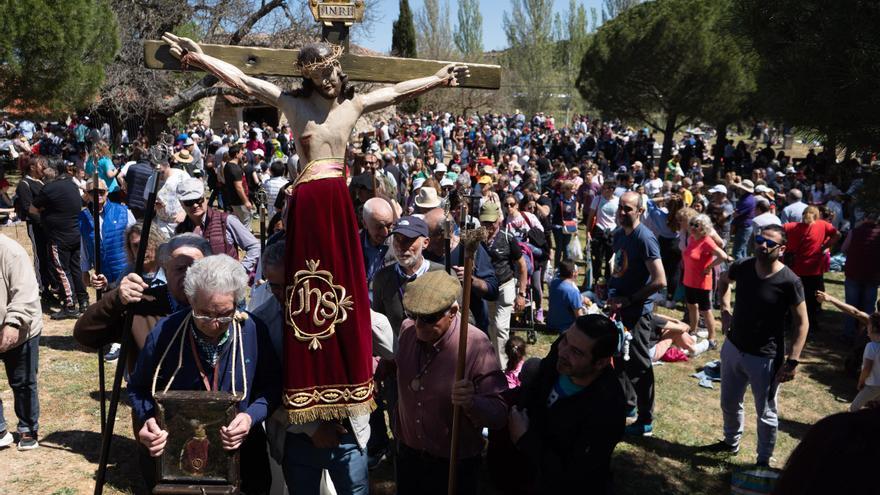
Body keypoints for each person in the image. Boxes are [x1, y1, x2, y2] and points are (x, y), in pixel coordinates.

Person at [128, 255, 281, 493]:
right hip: (180, 461)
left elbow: (272, 387)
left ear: (237, 302)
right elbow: (138, 388)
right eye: (204, 314)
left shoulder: (251, 330)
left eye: (224, 314)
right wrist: (149, 418)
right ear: (190, 299)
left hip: (243, 458)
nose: (213, 324)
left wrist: (250, 417)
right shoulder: (167, 333)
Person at [395, 270, 507, 495]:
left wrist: (472, 402)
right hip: (408, 455)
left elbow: (499, 414)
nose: (418, 324)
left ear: (453, 312)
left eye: (428, 318)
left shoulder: (475, 344)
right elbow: (393, 364)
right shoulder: (407, 331)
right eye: (413, 314)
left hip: (453, 465)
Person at [713, 224, 809, 467]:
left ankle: (763, 461)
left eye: (769, 243)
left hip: (766, 357)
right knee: (729, 402)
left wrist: (793, 360)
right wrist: (725, 310)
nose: (762, 245)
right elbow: (724, 282)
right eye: (759, 239)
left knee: (766, 413)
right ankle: (730, 442)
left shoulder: (790, 281)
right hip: (734, 347)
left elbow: (802, 323)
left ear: (782, 249)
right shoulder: (743, 266)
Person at [508, 314, 626, 493]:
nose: (562, 352)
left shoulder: (607, 409)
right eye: (565, 340)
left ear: (601, 362)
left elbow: (574, 475)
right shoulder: (562, 354)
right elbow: (539, 382)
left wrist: (525, 439)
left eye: (577, 352)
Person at [607, 191, 666, 437]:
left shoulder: (645, 237)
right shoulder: (619, 235)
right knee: (621, 360)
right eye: (621, 207)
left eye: (628, 208)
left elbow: (660, 279)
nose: (622, 212)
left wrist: (630, 299)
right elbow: (619, 267)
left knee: (640, 364)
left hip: (639, 312)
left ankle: (645, 420)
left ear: (640, 211)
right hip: (620, 309)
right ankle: (628, 407)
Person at [423, 207, 499, 333]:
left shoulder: (470, 249)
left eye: (430, 234)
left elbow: (492, 290)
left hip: (469, 327)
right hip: (435, 329)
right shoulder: (423, 253)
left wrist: (470, 279)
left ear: (447, 232)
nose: (425, 239)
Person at [0, 233, 43, 451]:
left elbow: (25, 292)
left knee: (22, 381)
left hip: (21, 326)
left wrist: (13, 323)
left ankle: (28, 427)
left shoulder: (11, 251)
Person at [30, 159, 88, 320]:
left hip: (59, 237)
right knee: (75, 268)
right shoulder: (71, 184)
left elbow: (32, 208)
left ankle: (69, 305)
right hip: (74, 233)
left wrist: (44, 217)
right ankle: (83, 301)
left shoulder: (48, 188)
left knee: (63, 270)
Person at [174, 178, 260, 275]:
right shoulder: (180, 230)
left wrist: (240, 271)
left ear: (205, 198)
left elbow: (254, 246)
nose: (195, 205)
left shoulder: (227, 220)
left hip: (226, 286)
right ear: (181, 204)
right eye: (189, 202)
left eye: (198, 200)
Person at [813, 291, 880, 411]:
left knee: (854, 410)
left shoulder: (872, 342)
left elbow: (855, 312)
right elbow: (855, 312)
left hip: (872, 383)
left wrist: (831, 299)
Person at [480, 202, 528, 368]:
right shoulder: (476, 238)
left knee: (500, 327)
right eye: (484, 222)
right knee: (489, 328)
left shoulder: (508, 238)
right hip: (485, 288)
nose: (488, 226)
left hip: (504, 286)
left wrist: (521, 294)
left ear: (498, 220)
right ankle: (491, 362)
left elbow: (522, 266)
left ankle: (504, 369)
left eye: (491, 222)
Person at [783, 206, 841, 334]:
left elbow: (775, 231)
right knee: (813, 299)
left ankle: (788, 322)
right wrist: (825, 246)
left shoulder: (791, 226)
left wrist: (784, 245)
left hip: (795, 269)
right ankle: (812, 324)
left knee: (791, 296)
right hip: (814, 270)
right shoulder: (823, 225)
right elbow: (837, 235)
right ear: (817, 215)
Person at [681, 214, 731, 348]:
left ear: (703, 228)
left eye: (696, 225)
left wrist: (709, 266)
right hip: (689, 279)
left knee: (706, 310)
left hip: (702, 281)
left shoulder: (707, 241)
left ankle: (712, 338)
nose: (692, 227)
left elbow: (723, 255)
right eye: (691, 224)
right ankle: (693, 330)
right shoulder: (692, 238)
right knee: (692, 306)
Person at [14, 155, 55, 305]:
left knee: (51, 256)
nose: (43, 166)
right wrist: (43, 220)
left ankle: (53, 285)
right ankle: (43, 288)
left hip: (48, 225)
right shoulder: (24, 184)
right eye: (40, 164)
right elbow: (28, 208)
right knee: (41, 256)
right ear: (32, 167)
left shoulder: (43, 181)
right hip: (36, 226)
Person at [840, 213, 880, 340]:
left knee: (851, 305)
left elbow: (843, 249)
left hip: (854, 272)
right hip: (873, 275)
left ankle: (848, 333)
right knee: (869, 306)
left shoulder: (854, 232)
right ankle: (867, 333)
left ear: (865, 219)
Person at [585, 180, 619, 283]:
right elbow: (591, 217)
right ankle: (597, 280)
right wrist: (588, 231)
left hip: (612, 231)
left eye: (605, 188)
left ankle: (608, 280)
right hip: (599, 230)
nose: (602, 190)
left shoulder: (618, 201)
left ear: (612, 190)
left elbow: (619, 218)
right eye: (603, 187)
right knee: (598, 258)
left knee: (610, 258)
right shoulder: (597, 199)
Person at [360, 197, 394, 298]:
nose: (385, 233)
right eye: (379, 227)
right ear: (365, 224)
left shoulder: (398, 243)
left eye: (389, 225)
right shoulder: (354, 246)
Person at [547, 259, 586, 334]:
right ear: (573, 273)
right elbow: (579, 316)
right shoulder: (573, 291)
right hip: (565, 327)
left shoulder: (554, 283)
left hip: (551, 324)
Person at [222, 143, 253, 224]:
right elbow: (239, 187)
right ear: (236, 154)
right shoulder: (235, 169)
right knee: (245, 223)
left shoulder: (227, 165)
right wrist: (246, 201)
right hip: (239, 202)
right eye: (241, 152)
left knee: (239, 223)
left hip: (233, 200)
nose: (243, 153)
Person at [551, 181, 578, 266]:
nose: (574, 191)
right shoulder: (558, 199)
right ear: (566, 190)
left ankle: (565, 268)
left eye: (574, 189)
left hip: (568, 227)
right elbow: (553, 213)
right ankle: (557, 267)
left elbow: (573, 214)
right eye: (572, 189)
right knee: (559, 247)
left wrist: (575, 223)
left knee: (566, 247)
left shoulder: (573, 199)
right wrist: (560, 221)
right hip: (558, 227)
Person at [730, 179, 757, 260]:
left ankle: (740, 269)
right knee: (742, 250)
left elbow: (735, 214)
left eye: (741, 188)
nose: (739, 189)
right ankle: (745, 267)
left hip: (744, 227)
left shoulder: (747, 201)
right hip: (745, 226)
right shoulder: (748, 198)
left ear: (744, 190)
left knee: (736, 252)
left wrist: (734, 212)